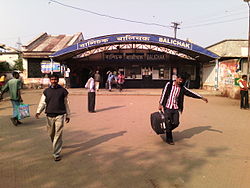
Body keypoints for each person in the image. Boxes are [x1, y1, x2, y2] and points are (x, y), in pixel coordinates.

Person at [159, 73, 208, 145]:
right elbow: (164, 93)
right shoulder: (169, 84)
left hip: (175, 108)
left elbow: (191, 93)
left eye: (182, 80)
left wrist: (201, 97)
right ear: (176, 78)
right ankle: (169, 139)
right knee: (168, 122)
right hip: (167, 107)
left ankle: (167, 130)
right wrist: (160, 104)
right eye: (180, 79)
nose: (180, 81)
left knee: (176, 123)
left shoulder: (182, 88)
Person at [35, 73, 70, 162]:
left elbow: (66, 103)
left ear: (58, 80)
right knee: (51, 134)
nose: (54, 81)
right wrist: (38, 111)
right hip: (49, 116)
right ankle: (57, 144)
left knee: (58, 134)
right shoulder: (46, 91)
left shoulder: (63, 91)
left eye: (55, 79)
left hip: (60, 115)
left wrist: (68, 115)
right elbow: (43, 102)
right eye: (52, 79)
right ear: (50, 81)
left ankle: (56, 154)